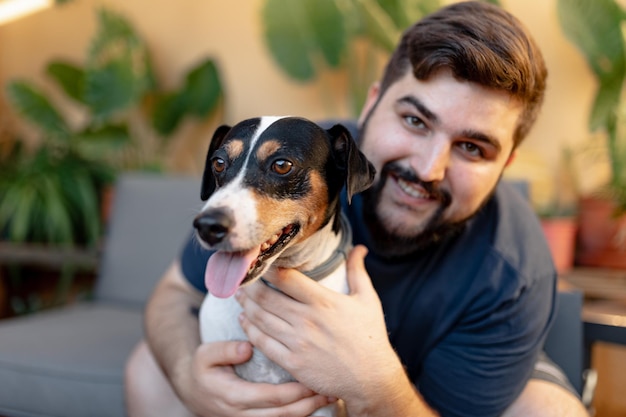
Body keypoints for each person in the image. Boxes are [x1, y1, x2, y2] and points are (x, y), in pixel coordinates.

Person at [125, 2, 589, 416]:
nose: (428, 168)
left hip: (430, 387)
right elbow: (174, 294)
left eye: (472, 147)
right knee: (151, 365)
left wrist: (374, 383)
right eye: (414, 120)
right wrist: (191, 381)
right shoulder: (311, 151)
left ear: (505, 163)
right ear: (372, 104)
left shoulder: (514, 269)